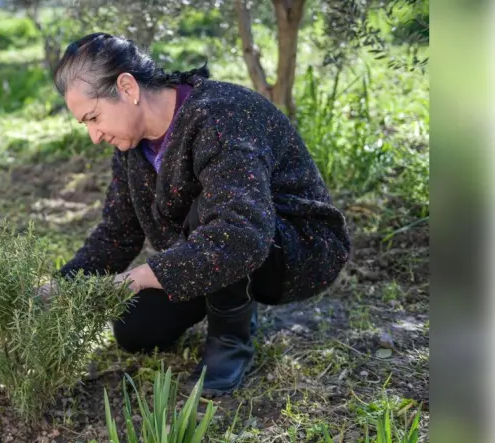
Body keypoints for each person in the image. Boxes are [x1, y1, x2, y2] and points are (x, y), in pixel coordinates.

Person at [46, 32, 351, 395]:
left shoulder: (222, 116)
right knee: (135, 330)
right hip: (212, 247)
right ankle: (223, 292)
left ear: (127, 88)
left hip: (294, 246)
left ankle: (229, 341)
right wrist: (60, 287)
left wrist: (140, 277)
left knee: (217, 213)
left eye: (94, 117)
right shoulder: (130, 149)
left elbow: (240, 234)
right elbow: (117, 233)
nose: (94, 136)